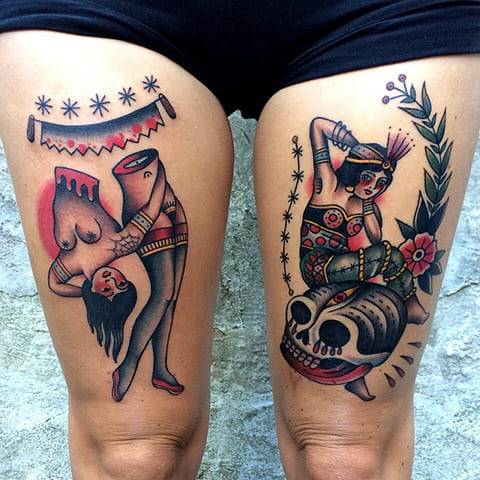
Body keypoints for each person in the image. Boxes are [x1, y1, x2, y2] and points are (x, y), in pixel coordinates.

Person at [0, 1, 479, 479]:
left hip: (381, 13)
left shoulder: (364, 206)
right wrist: (349, 144)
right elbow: (319, 133)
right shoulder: (329, 182)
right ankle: (141, 365)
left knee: (345, 460)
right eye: (370, 178)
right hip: (106, 12)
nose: (374, 188)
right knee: (135, 457)